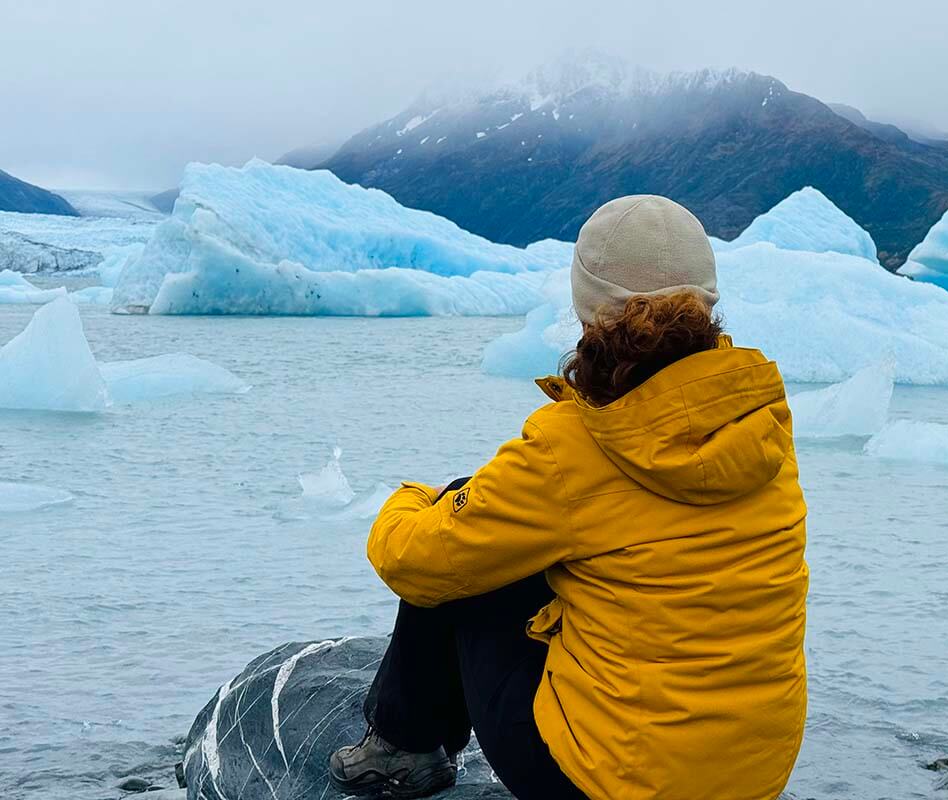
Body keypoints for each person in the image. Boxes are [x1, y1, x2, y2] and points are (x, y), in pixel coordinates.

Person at [329, 195, 809, 800]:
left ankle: (402, 748)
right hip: (753, 776)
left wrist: (415, 499)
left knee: (459, 554)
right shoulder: (762, 425)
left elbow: (414, 562)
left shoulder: (573, 450)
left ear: (589, 310)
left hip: (611, 784)